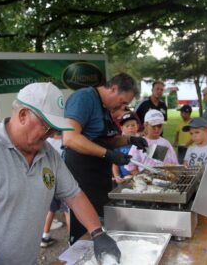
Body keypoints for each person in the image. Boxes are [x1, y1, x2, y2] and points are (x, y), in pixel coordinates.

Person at [0, 82, 121, 265]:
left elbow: (74, 195)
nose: (51, 135)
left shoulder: (48, 155)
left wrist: (97, 233)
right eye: (47, 127)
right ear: (22, 115)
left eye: (55, 129)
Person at [63, 73, 148, 244]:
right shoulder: (84, 98)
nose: (122, 107)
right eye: (123, 102)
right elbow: (70, 138)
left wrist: (130, 139)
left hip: (99, 177)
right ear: (114, 88)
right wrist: (108, 154)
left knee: (101, 225)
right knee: (85, 233)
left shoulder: (106, 108)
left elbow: (106, 139)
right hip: (82, 177)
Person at [40, 134, 70, 248]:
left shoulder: (46, 142)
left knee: (51, 210)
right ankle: (71, 240)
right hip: (63, 180)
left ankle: (45, 236)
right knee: (67, 210)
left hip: (49, 180)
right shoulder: (66, 141)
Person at [112, 112, 140, 183]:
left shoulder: (141, 142)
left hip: (140, 177)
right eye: (127, 126)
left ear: (137, 126)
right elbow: (115, 164)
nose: (130, 127)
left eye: (133, 125)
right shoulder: (118, 143)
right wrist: (117, 176)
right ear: (121, 128)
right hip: (124, 179)